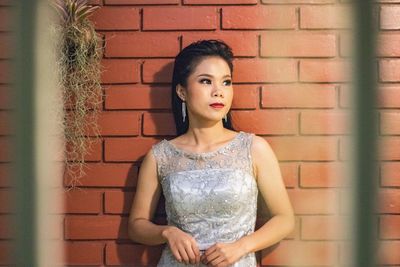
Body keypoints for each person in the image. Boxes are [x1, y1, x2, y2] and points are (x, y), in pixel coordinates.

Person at [128, 39, 295, 267]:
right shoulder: (160, 156)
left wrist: (242, 246)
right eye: (206, 81)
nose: (219, 92)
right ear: (182, 91)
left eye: (226, 82)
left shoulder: (254, 149)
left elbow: (284, 219)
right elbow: (136, 226)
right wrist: (167, 232)